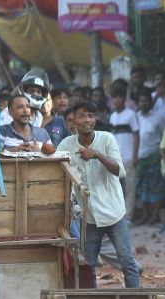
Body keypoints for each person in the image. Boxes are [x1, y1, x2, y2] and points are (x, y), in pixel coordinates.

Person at [58, 101, 140, 288]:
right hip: (89, 217)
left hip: (114, 212)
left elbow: (119, 170)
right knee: (89, 266)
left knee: (127, 262)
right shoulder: (66, 144)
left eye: (90, 116)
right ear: (74, 123)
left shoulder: (107, 139)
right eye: (82, 116)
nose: (87, 120)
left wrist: (96, 155)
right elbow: (55, 165)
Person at [134, 89, 165, 225]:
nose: (144, 103)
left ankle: (155, 215)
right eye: (142, 101)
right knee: (142, 188)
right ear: (138, 102)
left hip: (154, 156)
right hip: (140, 157)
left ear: (151, 102)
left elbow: (164, 135)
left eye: (147, 101)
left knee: (156, 187)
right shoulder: (135, 117)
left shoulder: (158, 117)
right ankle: (146, 215)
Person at [108, 85, 139, 219]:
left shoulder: (131, 115)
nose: (117, 100)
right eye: (115, 97)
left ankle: (128, 217)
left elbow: (137, 135)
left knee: (130, 189)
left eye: (119, 97)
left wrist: (134, 155)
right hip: (115, 158)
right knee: (115, 189)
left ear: (124, 99)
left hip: (128, 157)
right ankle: (118, 216)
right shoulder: (112, 117)